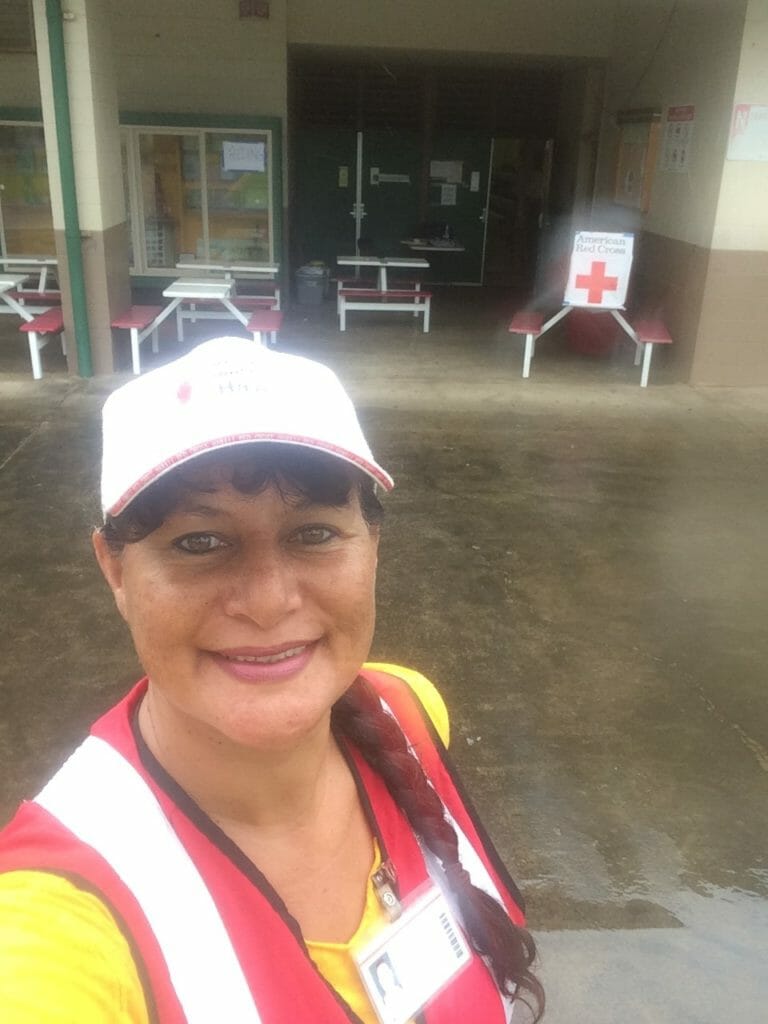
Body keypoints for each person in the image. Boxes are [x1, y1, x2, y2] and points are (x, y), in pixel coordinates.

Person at [0, 337, 543, 1023]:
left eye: (313, 533)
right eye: (200, 542)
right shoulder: (58, 917)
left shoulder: (409, 711)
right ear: (114, 569)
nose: (267, 600)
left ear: (373, 546)